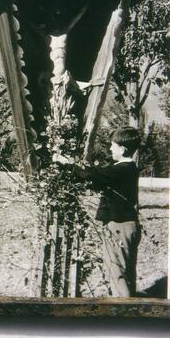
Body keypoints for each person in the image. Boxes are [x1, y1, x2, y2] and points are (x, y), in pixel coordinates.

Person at [78, 126, 142, 297]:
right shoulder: (129, 169)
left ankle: (123, 314)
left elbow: (90, 175)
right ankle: (130, 306)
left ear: (122, 149)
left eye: (113, 145)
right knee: (127, 272)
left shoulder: (120, 170)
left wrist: (67, 163)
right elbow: (101, 180)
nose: (110, 149)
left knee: (117, 273)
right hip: (129, 226)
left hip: (119, 227)